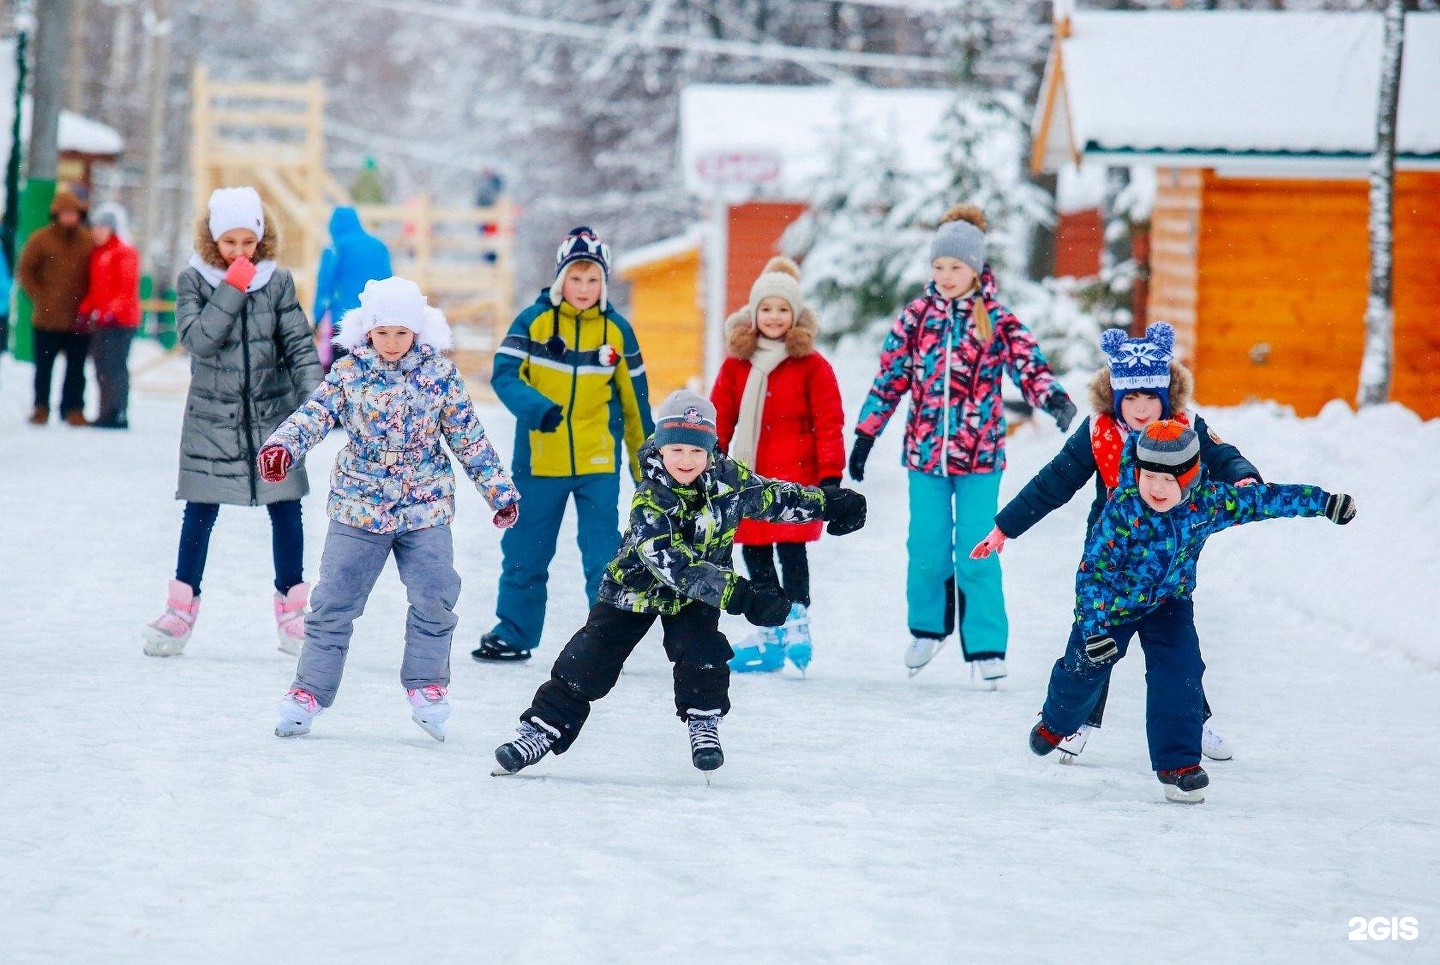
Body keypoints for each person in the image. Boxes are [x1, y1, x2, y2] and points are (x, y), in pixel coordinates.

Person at [491, 391, 867, 776]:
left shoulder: (727, 480)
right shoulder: (651, 498)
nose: (686, 461)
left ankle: (703, 721)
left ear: (711, 450)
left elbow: (771, 496)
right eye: (677, 450)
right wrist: (744, 596)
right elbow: (675, 566)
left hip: (698, 595)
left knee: (702, 651)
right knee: (591, 658)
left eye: (696, 451)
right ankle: (541, 729)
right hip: (635, 590)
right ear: (661, 448)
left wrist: (830, 504)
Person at [971, 322, 1261, 760]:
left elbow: (1223, 454)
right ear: (1115, 397)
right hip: (1111, 555)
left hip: (1169, 558)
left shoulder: (1185, 428)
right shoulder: (1097, 433)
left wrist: (1243, 477)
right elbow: (1052, 482)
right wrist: (1004, 527)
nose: (1141, 409)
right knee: (1097, 637)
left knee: (1176, 652)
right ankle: (1079, 721)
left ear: (1165, 397)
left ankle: (1191, 723)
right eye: (1131, 398)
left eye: (1150, 397)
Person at [1028, 420, 1355, 803]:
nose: (1157, 488)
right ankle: (1056, 722)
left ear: (1190, 475)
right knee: (1085, 667)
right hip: (1112, 607)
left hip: (1169, 603)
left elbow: (1266, 500)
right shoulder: (1123, 508)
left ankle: (1178, 765)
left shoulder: (1208, 502)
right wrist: (1094, 628)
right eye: (1149, 476)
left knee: (1180, 673)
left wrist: (1323, 503)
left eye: (1169, 480)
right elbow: (1093, 572)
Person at [260, 277, 520, 741]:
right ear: (368, 331)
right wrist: (283, 446)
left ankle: (426, 687)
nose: (393, 343)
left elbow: (469, 438)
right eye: (384, 333)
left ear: (418, 332)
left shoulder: (438, 375)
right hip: (359, 507)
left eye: (403, 333)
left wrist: (498, 492)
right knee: (334, 600)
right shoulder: (348, 372)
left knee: (437, 594)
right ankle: (309, 692)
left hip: (424, 508)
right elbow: (314, 415)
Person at [849, 204, 1076, 683]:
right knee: (927, 547)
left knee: (978, 549)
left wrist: (1053, 397)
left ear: (975, 268)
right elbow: (890, 379)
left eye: (955, 266)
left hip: (980, 458)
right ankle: (928, 630)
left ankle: (988, 645)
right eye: (938, 266)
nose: (945, 275)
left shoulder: (995, 317)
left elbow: (1027, 363)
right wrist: (866, 434)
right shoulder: (916, 318)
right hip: (926, 457)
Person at [142, 187, 323, 658]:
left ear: (261, 239)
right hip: (211, 419)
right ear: (212, 240)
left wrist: (316, 406)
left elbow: (300, 346)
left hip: (271, 415)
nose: (240, 252)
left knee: (286, 508)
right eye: (230, 243)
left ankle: (292, 610)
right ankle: (180, 611)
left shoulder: (278, 282)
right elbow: (198, 341)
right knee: (200, 510)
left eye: (248, 242)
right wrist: (232, 287)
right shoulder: (193, 280)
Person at [473, 226, 653, 663]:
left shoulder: (617, 331)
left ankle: (606, 641)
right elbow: (503, 374)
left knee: (603, 557)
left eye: (593, 280)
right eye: (576, 278)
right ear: (561, 279)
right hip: (539, 462)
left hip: (597, 463)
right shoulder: (532, 322)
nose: (585, 289)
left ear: (603, 284)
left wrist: (646, 467)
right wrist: (538, 409)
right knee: (524, 554)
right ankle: (514, 634)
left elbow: (636, 407)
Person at [710, 257, 844, 675]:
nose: (773, 317)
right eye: (766, 309)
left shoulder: (812, 366)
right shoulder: (736, 363)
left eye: (782, 309)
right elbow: (719, 417)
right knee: (755, 555)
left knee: (792, 550)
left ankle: (798, 621)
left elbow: (829, 422)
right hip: (749, 481)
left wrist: (831, 479)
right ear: (753, 314)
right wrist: (706, 463)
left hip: (795, 480)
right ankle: (771, 635)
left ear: (795, 315)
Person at [17, 189, 94, 425]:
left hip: (78, 320)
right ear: (56, 214)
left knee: (76, 369)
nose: (70, 218)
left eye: (74, 213)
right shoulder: (40, 239)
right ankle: (41, 407)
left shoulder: (87, 241)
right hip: (46, 318)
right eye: (65, 213)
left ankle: (73, 409)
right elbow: (26, 270)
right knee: (44, 368)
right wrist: (41, 298)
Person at [79, 205, 142, 429]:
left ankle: (118, 412)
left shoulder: (124, 252)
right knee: (101, 366)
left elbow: (126, 288)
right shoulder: (99, 254)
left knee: (115, 367)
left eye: (100, 227)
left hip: (121, 322)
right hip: (104, 321)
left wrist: (111, 312)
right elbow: (97, 289)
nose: (95, 232)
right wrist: (86, 309)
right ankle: (106, 410)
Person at [312, 205, 392, 370]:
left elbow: (325, 286)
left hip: (344, 322)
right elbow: (390, 283)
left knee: (342, 372)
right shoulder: (379, 246)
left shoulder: (336, 248)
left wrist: (317, 317)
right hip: (375, 321)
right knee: (373, 371)